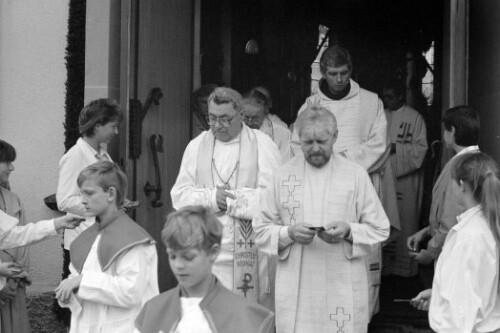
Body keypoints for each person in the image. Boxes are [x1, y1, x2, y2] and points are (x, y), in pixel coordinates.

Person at [254, 106, 390, 332]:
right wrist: (288, 233)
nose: (315, 149)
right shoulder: (283, 174)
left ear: (335, 136)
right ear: (298, 138)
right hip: (297, 283)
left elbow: (379, 228)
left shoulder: (355, 174)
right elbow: (260, 229)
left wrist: (348, 231)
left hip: (342, 282)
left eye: (322, 141)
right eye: (308, 142)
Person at [291, 45, 389, 317]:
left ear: (351, 71)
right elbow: (295, 144)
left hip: (360, 186)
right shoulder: (311, 106)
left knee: (359, 243)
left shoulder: (371, 102)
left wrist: (342, 159)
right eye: (333, 73)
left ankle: (362, 316)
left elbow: (380, 145)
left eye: (344, 73)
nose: (339, 79)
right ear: (322, 72)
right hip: (318, 189)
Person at [171, 87, 281, 310]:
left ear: (241, 115)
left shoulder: (263, 144)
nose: (217, 125)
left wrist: (232, 201)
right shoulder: (196, 146)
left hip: (250, 253)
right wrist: (212, 198)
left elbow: (275, 199)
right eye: (212, 118)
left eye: (224, 119)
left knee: (245, 316)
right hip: (206, 250)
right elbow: (179, 196)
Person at [134, 206, 275, 333]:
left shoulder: (246, 316)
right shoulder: (154, 310)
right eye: (172, 256)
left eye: (188, 257)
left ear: (213, 253)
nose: (178, 265)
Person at [55, 161, 158, 333]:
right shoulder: (84, 239)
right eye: (81, 194)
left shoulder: (133, 240)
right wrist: (68, 292)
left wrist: (82, 281)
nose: (82, 200)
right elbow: (80, 287)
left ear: (110, 194)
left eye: (88, 193)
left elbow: (131, 292)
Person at [411, 152, 500, 332]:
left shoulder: (469, 236)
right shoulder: (487, 225)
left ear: (460, 185)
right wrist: (439, 297)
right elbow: (473, 290)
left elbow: (461, 314)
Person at [0, 139, 83, 333]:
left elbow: (15, 236)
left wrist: (59, 223)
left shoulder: (11, 199)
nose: (12, 168)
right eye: (7, 162)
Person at [407, 106, 480, 265]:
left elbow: (451, 220)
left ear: (452, 131)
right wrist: (426, 232)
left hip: (455, 255)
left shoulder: (461, 167)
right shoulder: (477, 161)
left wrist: (430, 253)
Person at [381, 80, 428, 277]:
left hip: (406, 183)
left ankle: (404, 271)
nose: (387, 101)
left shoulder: (415, 118)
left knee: (405, 219)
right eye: (384, 97)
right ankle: (383, 268)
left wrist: (395, 149)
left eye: (390, 97)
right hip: (384, 179)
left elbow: (421, 151)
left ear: (401, 96)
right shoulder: (381, 115)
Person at [242, 88, 292, 161]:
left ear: (265, 113)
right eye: (246, 117)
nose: (249, 122)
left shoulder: (283, 134)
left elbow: (287, 166)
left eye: (255, 118)